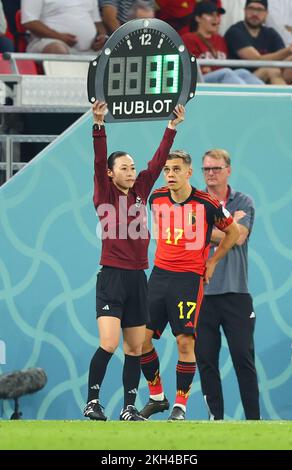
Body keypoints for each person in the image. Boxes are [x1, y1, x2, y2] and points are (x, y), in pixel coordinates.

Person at [83, 101, 185, 421]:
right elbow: (100, 160)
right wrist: (99, 125)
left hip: (138, 279)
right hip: (112, 277)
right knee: (109, 343)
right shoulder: (104, 192)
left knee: (134, 349)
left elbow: (156, 164)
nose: (130, 171)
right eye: (123, 168)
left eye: (131, 167)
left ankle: (129, 407)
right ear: (112, 174)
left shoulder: (141, 188)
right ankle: (93, 402)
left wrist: (171, 127)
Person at [139, 149, 239, 420]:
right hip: (159, 276)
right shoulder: (156, 198)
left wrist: (213, 261)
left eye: (176, 170)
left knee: (184, 342)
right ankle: (157, 397)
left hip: (188, 279)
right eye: (167, 170)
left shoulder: (207, 203)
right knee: (140, 340)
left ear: (189, 173)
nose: (170, 174)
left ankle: (180, 406)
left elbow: (233, 232)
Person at [195, 148, 260, 420]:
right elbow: (228, 233)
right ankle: (216, 421)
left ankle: (254, 421)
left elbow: (240, 238)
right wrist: (229, 229)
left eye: (216, 169)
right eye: (206, 169)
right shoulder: (195, 203)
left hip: (236, 294)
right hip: (202, 294)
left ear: (228, 170)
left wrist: (208, 231)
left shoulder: (243, 201)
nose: (211, 174)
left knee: (243, 360)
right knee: (206, 362)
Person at [182, 1, 263, 85]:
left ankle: (266, 97)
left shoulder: (220, 39)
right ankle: (244, 97)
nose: (216, 18)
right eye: (210, 14)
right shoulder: (188, 38)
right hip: (197, 82)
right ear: (198, 18)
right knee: (226, 73)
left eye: (217, 15)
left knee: (243, 72)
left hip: (219, 79)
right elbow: (190, 70)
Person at [224, 0, 292, 85]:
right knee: (271, 70)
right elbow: (256, 59)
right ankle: (284, 98)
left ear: (266, 13)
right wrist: (287, 51)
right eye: (251, 8)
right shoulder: (235, 31)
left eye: (260, 10)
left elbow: (282, 59)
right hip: (240, 78)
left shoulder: (270, 33)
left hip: (266, 77)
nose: (255, 14)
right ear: (244, 10)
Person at [21, 0, 107, 54]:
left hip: (90, 49)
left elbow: (97, 21)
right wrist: (60, 37)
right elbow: (29, 22)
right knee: (58, 49)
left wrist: (103, 37)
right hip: (47, 41)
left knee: (111, 52)